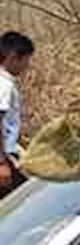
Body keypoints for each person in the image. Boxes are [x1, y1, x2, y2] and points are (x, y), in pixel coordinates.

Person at [0, 31, 34, 197]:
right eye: (26, 59)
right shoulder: (3, 85)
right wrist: (1, 164)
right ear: (13, 57)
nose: (27, 65)